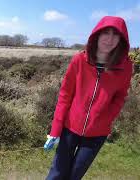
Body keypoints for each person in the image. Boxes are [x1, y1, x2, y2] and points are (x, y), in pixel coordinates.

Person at [44, 16, 133, 180]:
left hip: (97, 134)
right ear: (97, 34)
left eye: (116, 35)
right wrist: (55, 131)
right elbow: (64, 96)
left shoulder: (125, 67)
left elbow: (120, 96)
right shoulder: (79, 60)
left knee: (74, 175)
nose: (110, 39)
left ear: (121, 40)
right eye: (106, 33)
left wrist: (106, 118)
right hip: (70, 129)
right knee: (56, 174)